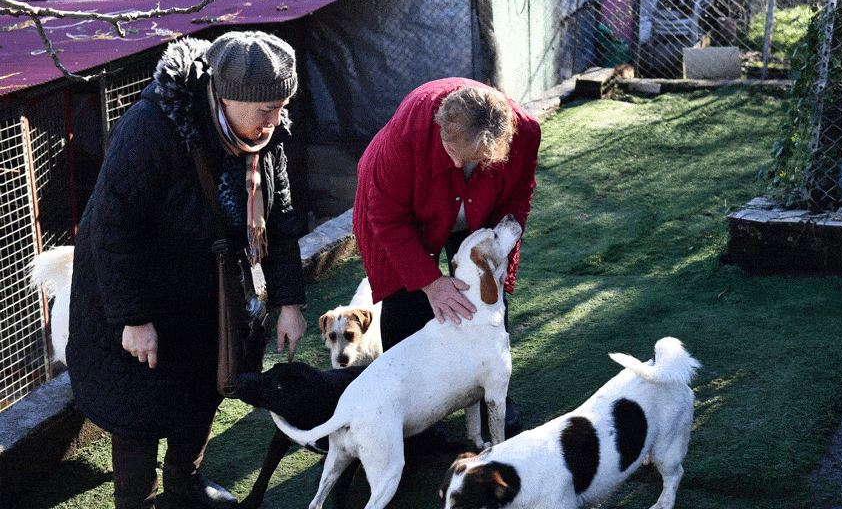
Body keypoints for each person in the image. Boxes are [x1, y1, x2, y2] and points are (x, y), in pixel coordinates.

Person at [66, 31, 308, 509]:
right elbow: (113, 230)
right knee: (136, 407)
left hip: (208, 290)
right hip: (136, 290)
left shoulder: (265, 130)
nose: (275, 122)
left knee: (204, 389)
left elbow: (279, 217)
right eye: (266, 110)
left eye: (282, 107)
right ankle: (137, 503)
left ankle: (183, 487)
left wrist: (288, 300)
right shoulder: (152, 128)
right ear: (226, 95)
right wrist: (132, 319)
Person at [352, 77, 541, 437]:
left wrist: (503, 238)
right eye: (450, 152)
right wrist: (430, 282)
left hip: (480, 209)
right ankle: (408, 408)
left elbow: (520, 192)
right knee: (406, 302)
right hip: (405, 207)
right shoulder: (409, 131)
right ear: (440, 124)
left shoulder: (526, 133)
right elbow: (387, 217)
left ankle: (490, 391)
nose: (456, 165)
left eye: (469, 160)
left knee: (484, 295)